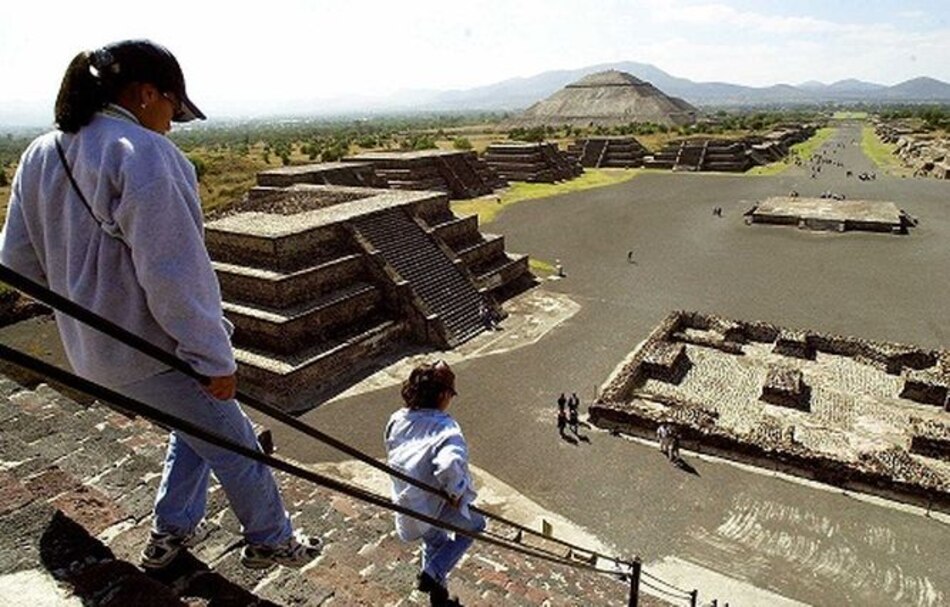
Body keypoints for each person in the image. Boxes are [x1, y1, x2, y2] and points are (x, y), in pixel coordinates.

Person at [0, 40, 320, 570]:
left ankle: (171, 530)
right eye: (173, 108)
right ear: (147, 94)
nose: (172, 124)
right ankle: (270, 539)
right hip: (154, 351)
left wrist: (83, 299)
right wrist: (213, 358)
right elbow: (175, 275)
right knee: (239, 447)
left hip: (89, 354)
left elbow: (17, 264)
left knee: (194, 430)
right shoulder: (145, 154)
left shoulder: (41, 152)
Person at [385, 361, 483, 606]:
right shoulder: (446, 428)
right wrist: (456, 493)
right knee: (477, 524)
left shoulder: (397, 419)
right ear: (442, 394)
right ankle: (433, 572)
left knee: (434, 541)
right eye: (450, 394)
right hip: (430, 507)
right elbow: (449, 465)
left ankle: (437, 594)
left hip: (405, 503)